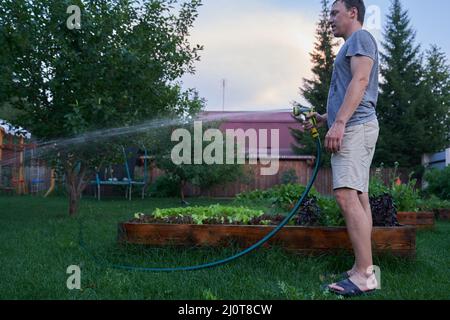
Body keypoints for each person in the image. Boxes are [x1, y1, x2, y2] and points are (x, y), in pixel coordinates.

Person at [304, 0, 380, 297]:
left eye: (335, 13)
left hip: (355, 127)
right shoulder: (352, 44)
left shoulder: (360, 38)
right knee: (359, 196)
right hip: (355, 125)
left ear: (353, 12)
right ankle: (363, 268)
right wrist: (327, 118)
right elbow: (352, 85)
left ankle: (365, 275)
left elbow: (361, 81)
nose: (330, 19)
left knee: (346, 195)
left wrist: (340, 124)